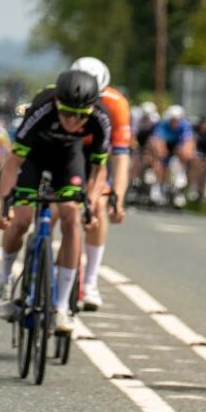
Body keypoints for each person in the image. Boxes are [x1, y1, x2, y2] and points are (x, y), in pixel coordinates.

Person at [0, 69, 110, 332]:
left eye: (81, 116)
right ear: (57, 104)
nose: (73, 121)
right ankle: (4, 279)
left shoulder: (101, 118)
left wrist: (89, 204)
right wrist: (4, 206)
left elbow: (99, 170)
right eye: (67, 113)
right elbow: (12, 163)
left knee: (71, 218)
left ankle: (60, 307)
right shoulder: (42, 110)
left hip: (69, 159)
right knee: (21, 221)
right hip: (34, 157)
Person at [70, 56, 131, 311]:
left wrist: (118, 197)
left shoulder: (116, 105)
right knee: (56, 210)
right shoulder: (59, 96)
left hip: (96, 156)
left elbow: (120, 157)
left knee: (99, 207)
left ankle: (92, 281)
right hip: (66, 150)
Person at [149, 105, 194, 207]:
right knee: (158, 155)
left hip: (178, 148)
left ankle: (180, 177)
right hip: (166, 146)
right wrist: (160, 153)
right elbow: (157, 141)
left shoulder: (185, 126)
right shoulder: (163, 125)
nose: (175, 122)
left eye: (177, 120)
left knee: (185, 151)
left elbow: (188, 142)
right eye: (173, 120)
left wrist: (184, 154)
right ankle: (158, 186)